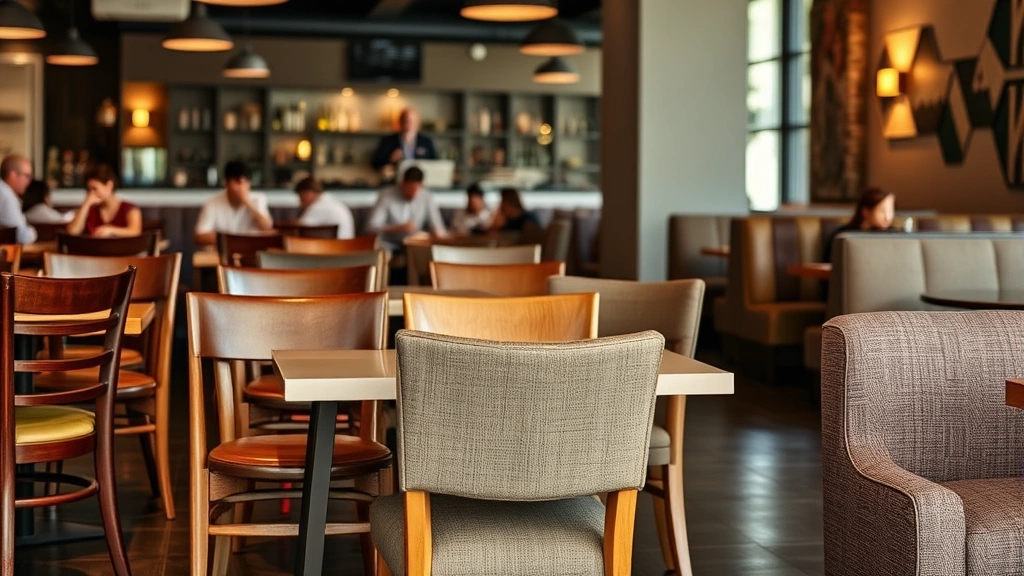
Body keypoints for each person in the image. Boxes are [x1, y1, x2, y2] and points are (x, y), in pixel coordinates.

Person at [194, 161, 273, 246]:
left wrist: (248, 203)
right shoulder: (212, 203)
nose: (242, 187)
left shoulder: (258, 199)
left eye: (246, 182)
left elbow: (267, 227)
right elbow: (199, 236)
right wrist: (231, 240)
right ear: (226, 183)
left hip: (251, 251)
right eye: (237, 182)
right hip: (223, 252)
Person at [365, 166, 446, 248]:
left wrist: (438, 236)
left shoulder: (427, 197)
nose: (413, 194)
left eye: (416, 190)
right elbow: (371, 228)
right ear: (403, 183)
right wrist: (398, 228)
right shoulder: (386, 195)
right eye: (410, 189)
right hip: (389, 243)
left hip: (416, 245)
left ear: (421, 185)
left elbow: (438, 228)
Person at [67, 165, 142, 237]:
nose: (91, 194)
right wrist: (85, 204)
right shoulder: (89, 209)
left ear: (109, 186)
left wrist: (111, 230)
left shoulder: (130, 209)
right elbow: (72, 232)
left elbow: (135, 232)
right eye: (89, 190)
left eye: (94, 189)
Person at [823, 187, 896, 263]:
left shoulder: (894, 236)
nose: (888, 217)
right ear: (866, 211)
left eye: (890, 210)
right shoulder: (842, 236)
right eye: (882, 211)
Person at [371, 108, 437, 173]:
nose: (409, 124)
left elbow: (435, 163)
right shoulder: (388, 141)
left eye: (412, 121)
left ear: (418, 123)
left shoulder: (426, 142)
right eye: (406, 121)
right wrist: (390, 159)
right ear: (401, 122)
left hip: (420, 177)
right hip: (395, 177)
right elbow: (376, 163)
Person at [0, 154, 38, 244]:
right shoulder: (6, 195)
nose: (29, 182)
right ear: (13, 175)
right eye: (27, 176)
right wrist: (33, 232)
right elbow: (22, 237)